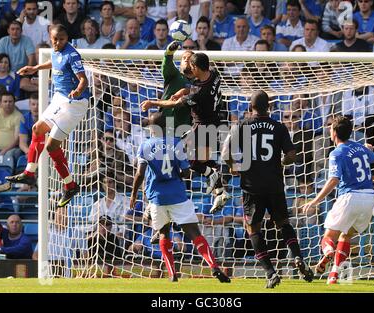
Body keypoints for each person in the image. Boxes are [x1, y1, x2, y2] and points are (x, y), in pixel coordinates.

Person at [222, 90, 314, 288]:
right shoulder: (279, 127)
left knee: (253, 229)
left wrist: (233, 167)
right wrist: (282, 161)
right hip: (274, 185)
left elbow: (225, 153)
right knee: (284, 224)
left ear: (250, 107)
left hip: (251, 186)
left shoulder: (241, 125)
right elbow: (291, 154)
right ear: (269, 107)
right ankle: (298, 257)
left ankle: (270, 273)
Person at [129, 112, 231, 283]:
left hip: (156, 197)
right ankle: (213, 266)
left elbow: (140, 173)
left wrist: (134, 194)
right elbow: (185, 171)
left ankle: (172, 274)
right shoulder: (176, 143)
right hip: (177, 194)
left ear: (152, 129)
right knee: (194, 233)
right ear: (166, 128)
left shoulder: (145, 145)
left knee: (163, 233)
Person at [6, 24, 89, 208]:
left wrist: (77, 90)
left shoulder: (72, 54)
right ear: (50, 38)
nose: (58, 42)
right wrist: (35, 67)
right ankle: (29, 173)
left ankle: (70, 185)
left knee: (52, 146)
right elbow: (55, 61)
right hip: (60, 97)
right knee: (37, 129)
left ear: (67, 38)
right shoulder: (55, 51)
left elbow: (83, 79)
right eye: (55, 39)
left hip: (73, 103)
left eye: (61, 39)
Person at [302, 115, 374, 284]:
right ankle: (334, 274)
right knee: (346, 236)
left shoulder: (336, 153)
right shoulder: (360, 147)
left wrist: (315, 200)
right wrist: (370, 150)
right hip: (369, 198)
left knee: (327, 237)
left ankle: (328, 252)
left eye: (330, 127)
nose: (329, 130)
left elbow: (333, 180)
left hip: (350, 196)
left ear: (335, 132)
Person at [141, 52, 229, 203]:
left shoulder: (200, 94)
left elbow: (175, 103)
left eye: (191, 66)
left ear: (196, 67)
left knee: (184, 157)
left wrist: (152, 103)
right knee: (203, 159)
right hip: (214, 122)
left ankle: (212, 175)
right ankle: (220, 189)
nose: (190, 69)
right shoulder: (214, 74)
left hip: (201, 126)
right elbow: (194, 87)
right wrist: (182, 91)